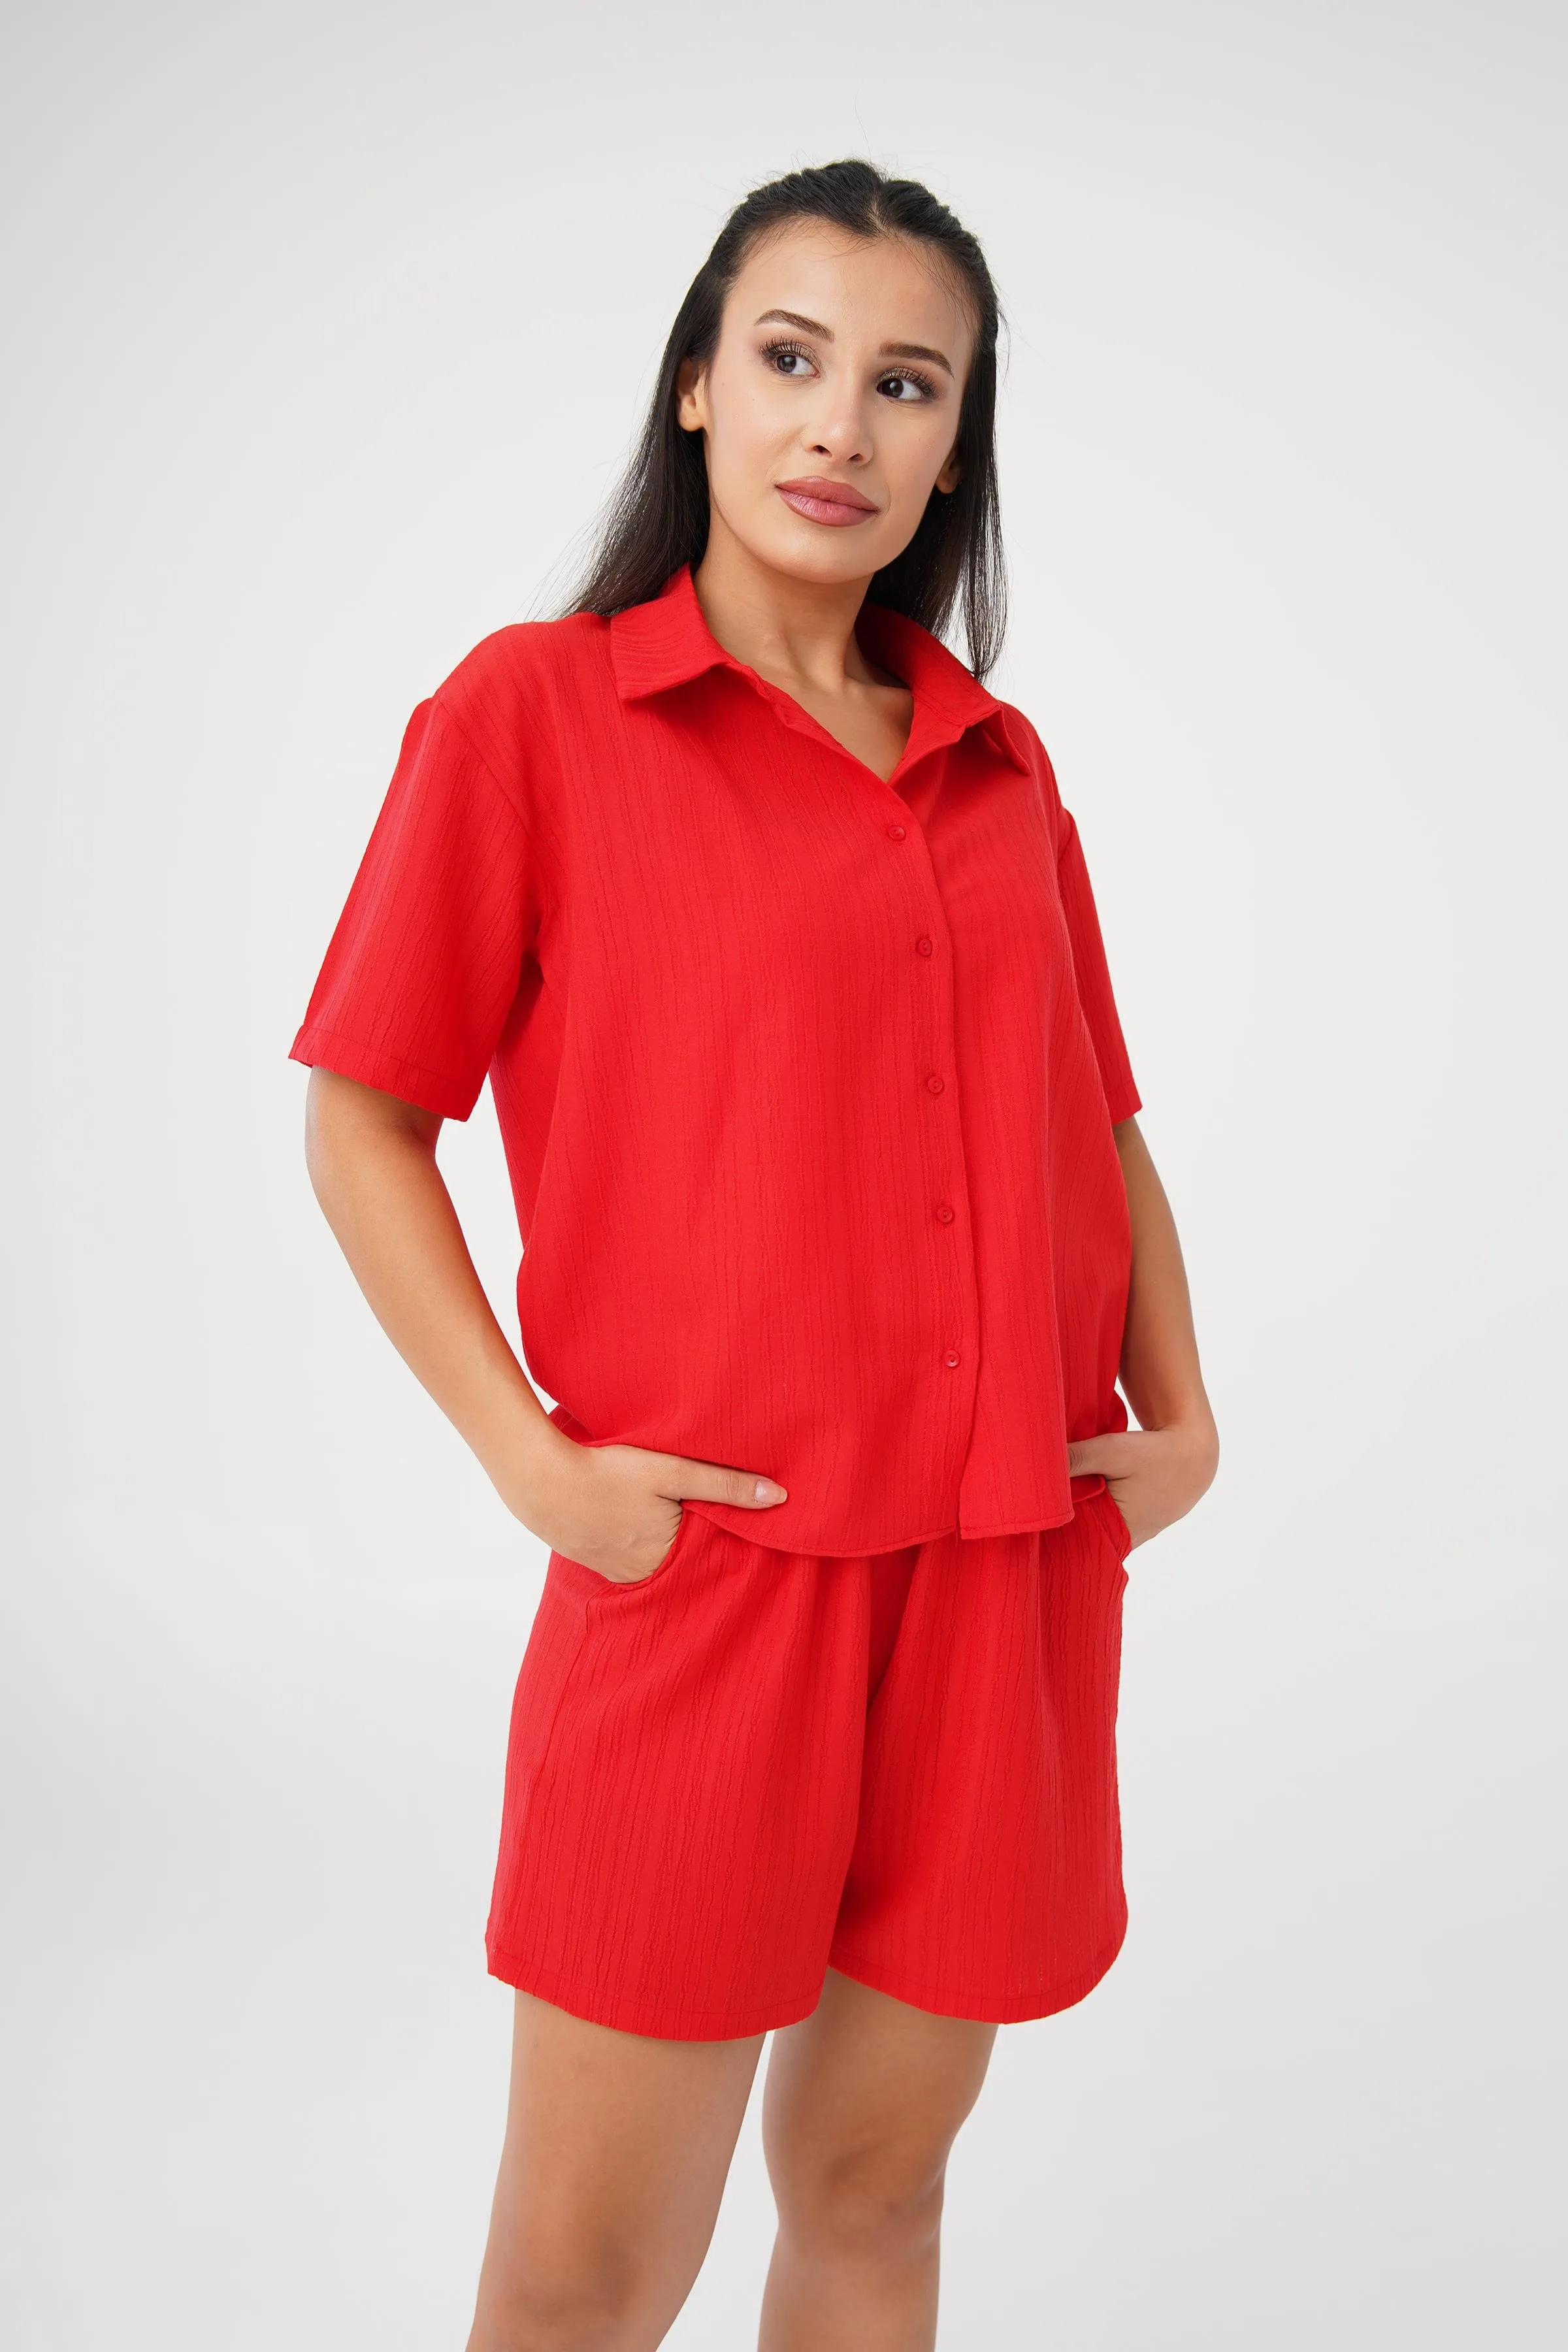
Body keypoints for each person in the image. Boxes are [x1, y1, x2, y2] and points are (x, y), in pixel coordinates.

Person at [289, 158, 1218, 2352]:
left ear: (955, 442)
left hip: (998, 1574)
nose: (841, 425)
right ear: (697, 384)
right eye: (791, 358)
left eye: (908, 384)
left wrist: (1181, 1417)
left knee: (878, 2197)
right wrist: (534, 1464)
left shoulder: (1000, 767)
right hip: (706, 1579)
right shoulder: (536, 718)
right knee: (589, 2272)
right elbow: (363, 1117)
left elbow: (1096, 1115)